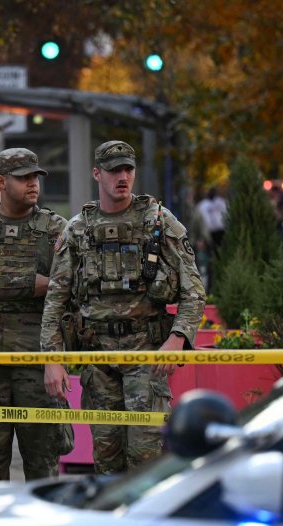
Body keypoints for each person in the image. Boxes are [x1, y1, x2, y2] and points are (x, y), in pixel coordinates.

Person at [40, 140, 206, 474]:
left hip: (146, 356)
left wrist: (177, 339)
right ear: (97, 173)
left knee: (146, 460)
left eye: (128, 169)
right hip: (97, 359)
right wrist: (52, 360)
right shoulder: (77, 230)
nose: (123, 176)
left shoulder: (158, 223)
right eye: (115, 170)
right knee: (106, 462)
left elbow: (194, 292)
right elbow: (56, 300)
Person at [0, 148, 74, 481]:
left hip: (38, 363)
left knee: (43, 462)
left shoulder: (56, 230)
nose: (33, 184)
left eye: (35, 177)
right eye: (23, 178)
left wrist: (56, 358)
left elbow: (70, 294)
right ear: (1, 182)